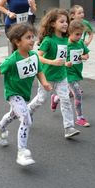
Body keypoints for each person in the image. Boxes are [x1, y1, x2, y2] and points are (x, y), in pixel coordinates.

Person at [0, 24, 51, 166]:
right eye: (28, 37)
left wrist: (44, 83)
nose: (32, 40)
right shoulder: (12, 60)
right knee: (26, 118)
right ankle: (22, 152)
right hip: (13, 94)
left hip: (24, 94)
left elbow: (39, 71)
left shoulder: (34, 56)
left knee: (14, 115)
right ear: (18, 42)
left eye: (32, 37)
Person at [28, 8, 80, 138]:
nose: (65, 24)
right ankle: (27, 112)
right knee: (41, 100)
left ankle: (69, 127)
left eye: (66, 21)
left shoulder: (66, 39)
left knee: (66, 100)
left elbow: (62, 56)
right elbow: (37, 56)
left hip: (61, 76)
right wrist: (52, 62)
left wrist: (66, 62)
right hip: (47, 77)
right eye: (61, 21)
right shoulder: (48, 40)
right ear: (52, 24)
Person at [50, 20, 90, 127]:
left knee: (69, 93)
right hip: (68, 74)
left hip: (77, 72)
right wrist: (65, 63)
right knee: (77, 93)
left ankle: (55, 98)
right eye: (77, 34)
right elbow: (58, 59)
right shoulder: (66, 45)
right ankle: (80, 118)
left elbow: (86, 55)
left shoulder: (81, 43)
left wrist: (84, 57)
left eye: (81, 34)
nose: (79, 36)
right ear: (69, 32)